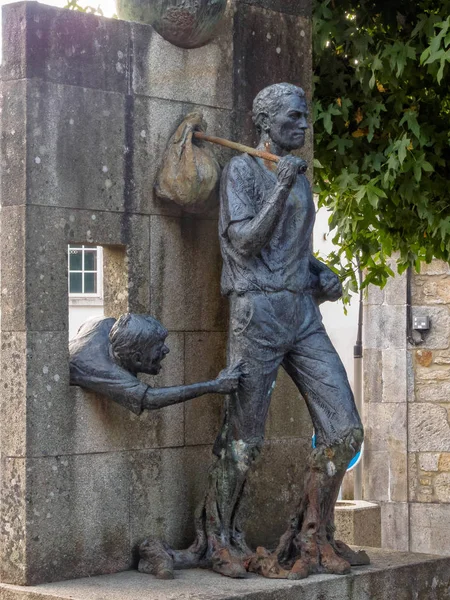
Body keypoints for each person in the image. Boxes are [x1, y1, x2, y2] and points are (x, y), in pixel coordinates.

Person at [141, 83, 365, 581]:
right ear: (265, 121)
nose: (304, 127)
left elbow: (292, 248)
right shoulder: (242, 171)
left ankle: (312, 535)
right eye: (294, 117)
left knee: (344, 430)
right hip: (256, 313)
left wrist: (319, 272)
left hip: (301, 313)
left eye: (306, 118)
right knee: (245, 440)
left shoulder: (297, 176)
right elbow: (242, 243)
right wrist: (281, 185)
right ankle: (219, 538)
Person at [69, 313, 241, 413]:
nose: (166, 350)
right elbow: (150, 399)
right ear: (136, 358)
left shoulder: (106, 324)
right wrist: (214, 385)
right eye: (158, 348)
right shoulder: (104, 371)